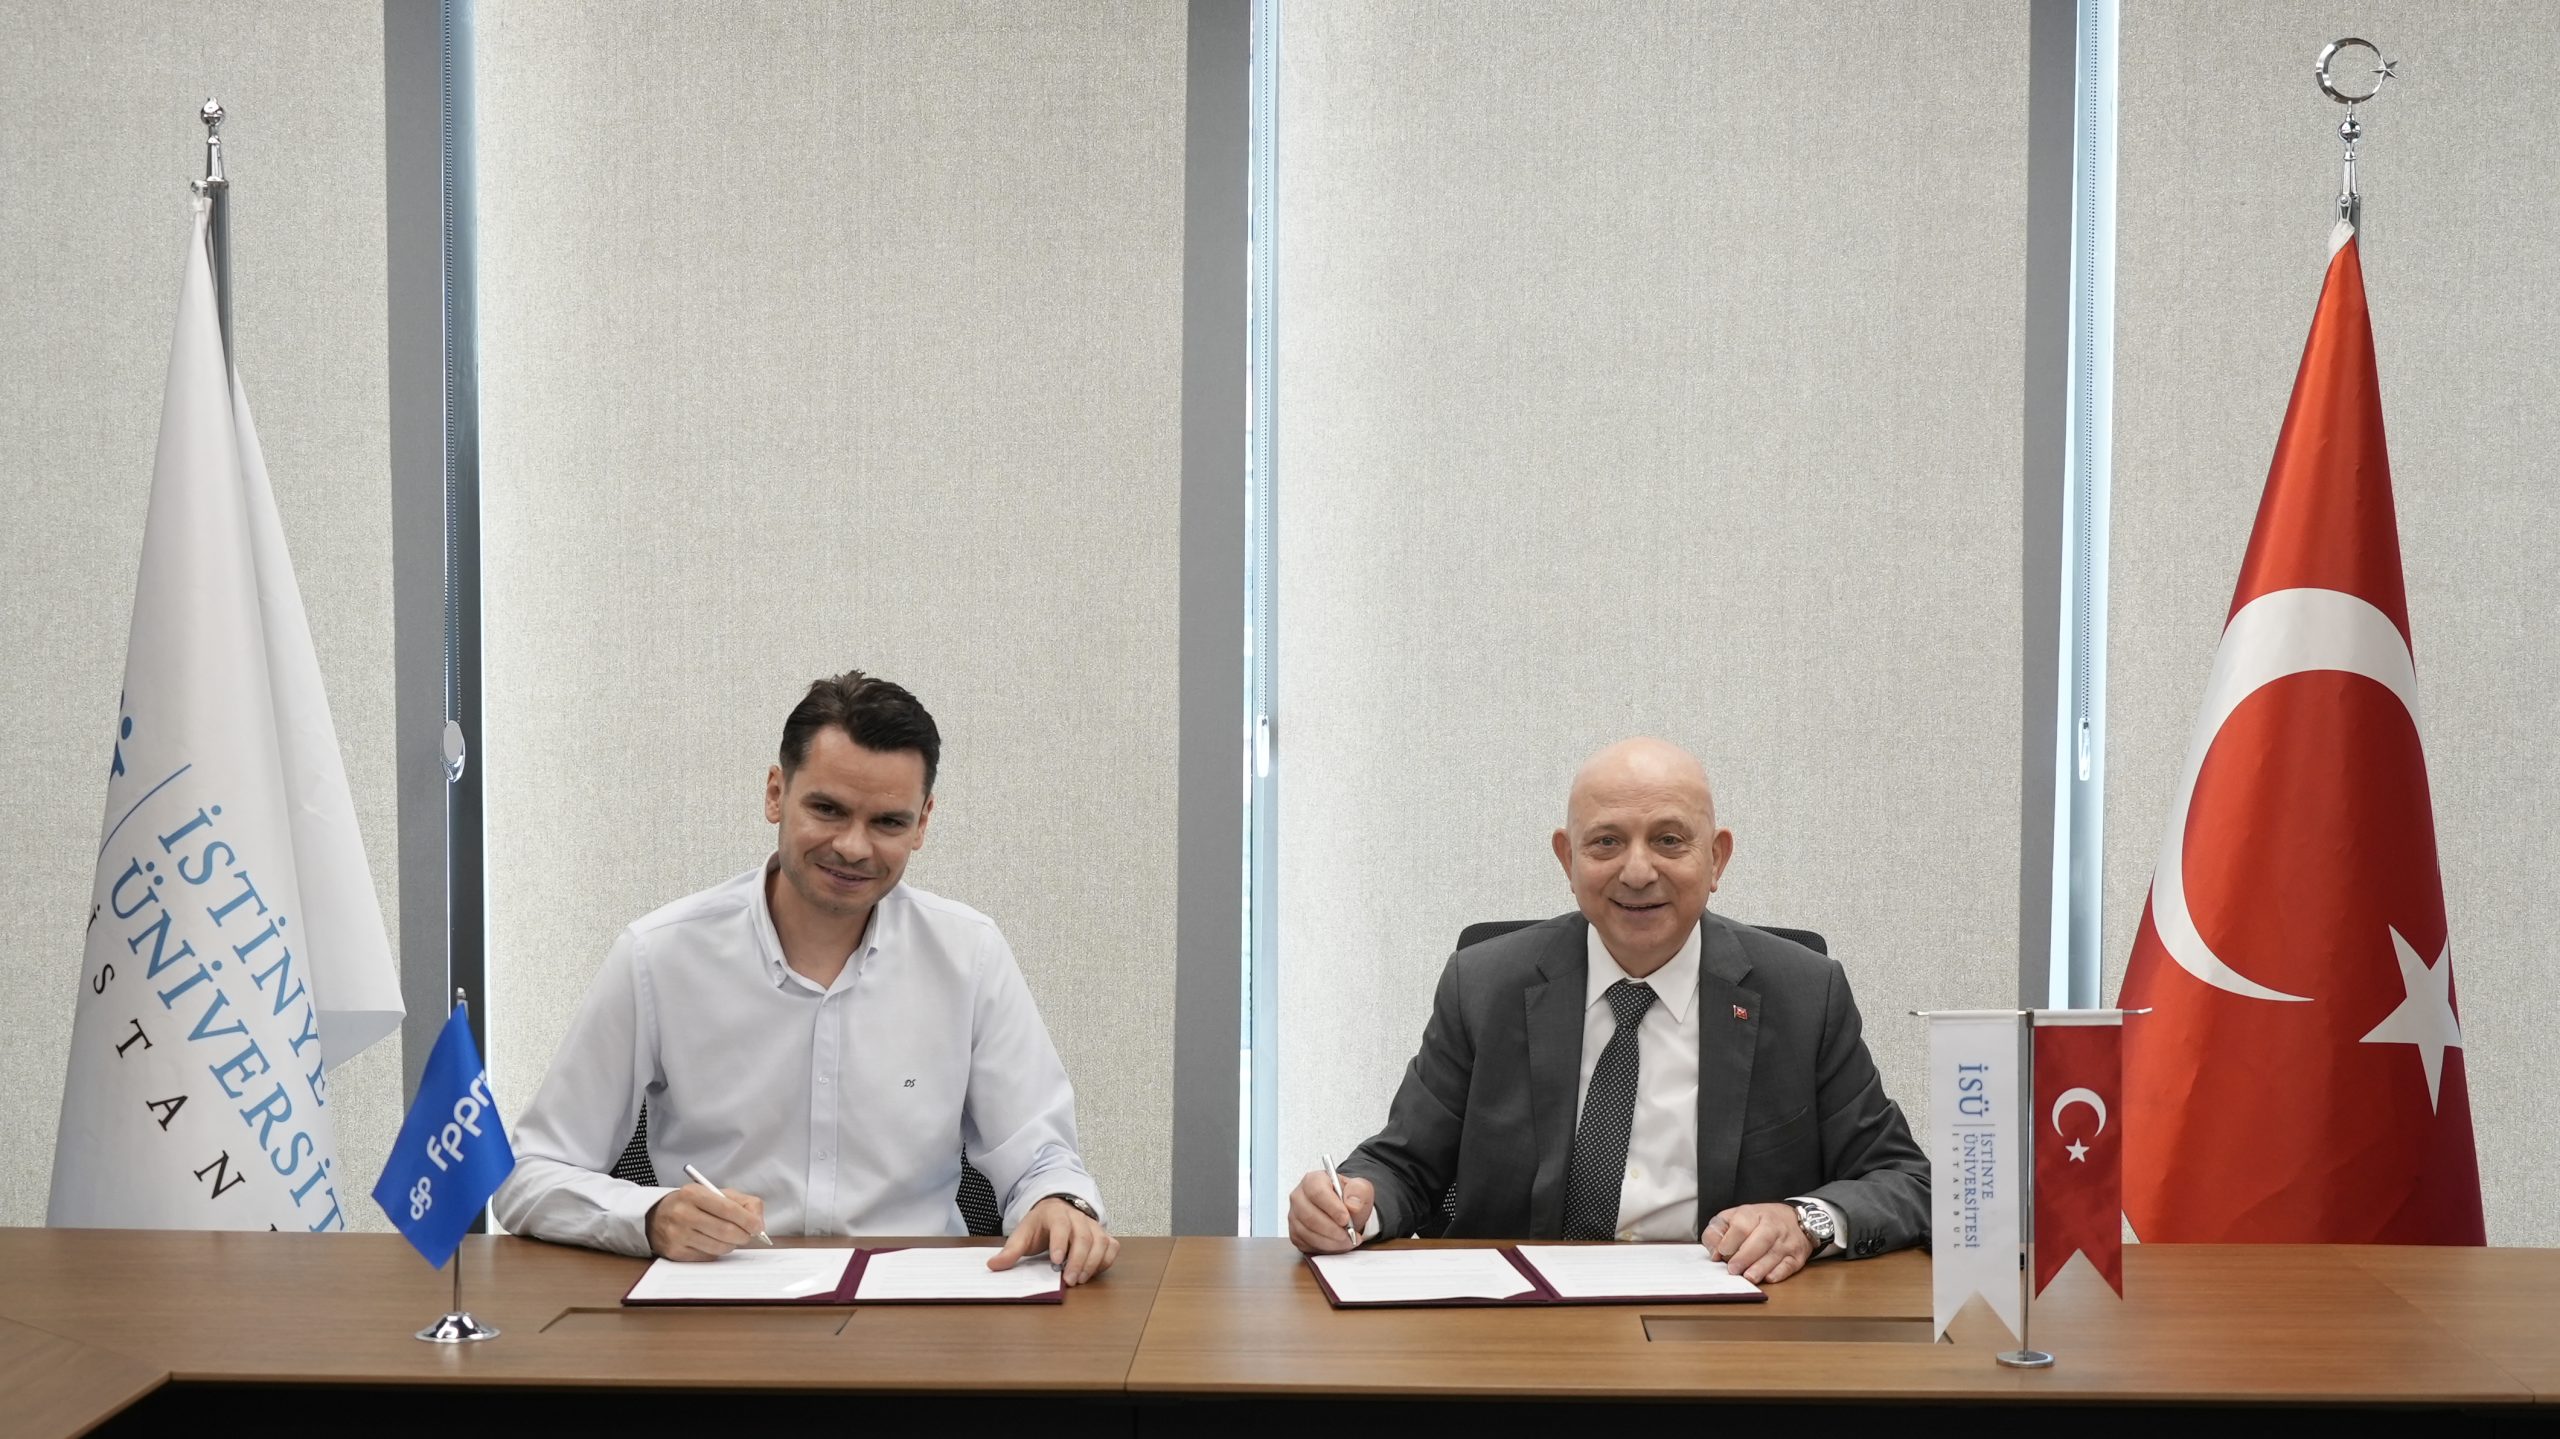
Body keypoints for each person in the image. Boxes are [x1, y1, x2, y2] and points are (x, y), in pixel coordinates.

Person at [493, 671, 1118, 1284]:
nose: (853, 847)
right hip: (719, 1301)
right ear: (776, 794)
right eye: (827, 809)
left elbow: (1041, 1157)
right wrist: (650, 1217)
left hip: (916, 1305)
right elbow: (528, 1176)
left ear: (923, 822)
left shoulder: (969, 954)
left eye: (888, 822)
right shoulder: (658, 956)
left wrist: (1059, 1203)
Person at [1287, 737, 1927, 1283]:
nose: (1638, 871)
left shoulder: (1804, 994)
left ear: (1716, 858)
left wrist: (1804, 1221)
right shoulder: (1483, 985)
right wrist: (1353, 1205)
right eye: (1606, 842)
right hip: (1518, 1325)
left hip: (1727, 1328)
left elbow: (1906, 1180)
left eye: (1669, 840)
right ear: (1568, 859)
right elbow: (1402, 1165)